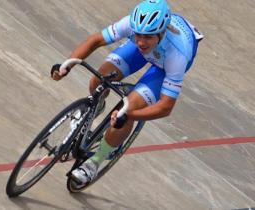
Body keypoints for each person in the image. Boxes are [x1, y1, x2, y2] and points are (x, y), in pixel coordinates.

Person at [51, 0, 203, 185]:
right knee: (98, 80)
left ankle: (95, 162)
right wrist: (67, 65)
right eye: (138, 34)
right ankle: (96, 107)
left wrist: (130, 114)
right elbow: (95, 40)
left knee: (129, 107)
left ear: (161, 32)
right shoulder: (132, 25)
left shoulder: (177, 55)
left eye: (147, 36)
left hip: (163, 66)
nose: (140, 41)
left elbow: (165, 106)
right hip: (150, 48)